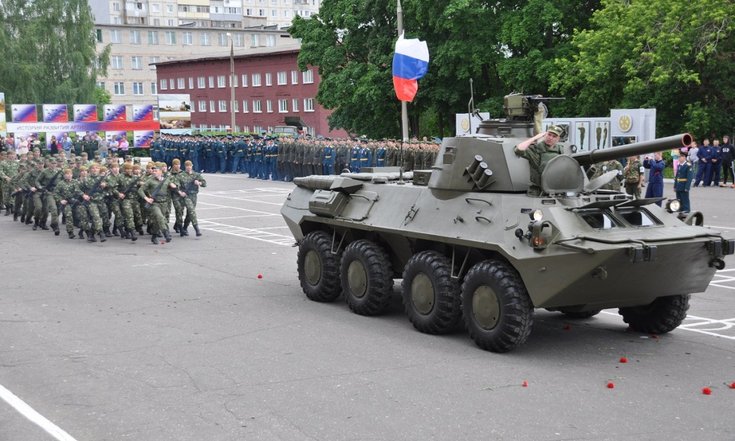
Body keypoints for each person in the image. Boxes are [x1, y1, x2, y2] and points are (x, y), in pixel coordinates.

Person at [513, 125, 564, 196]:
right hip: (537, 192)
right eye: (549, 135)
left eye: (554, 136)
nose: (550, 138)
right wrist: (535, 137)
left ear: (558, 139)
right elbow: (518, 150)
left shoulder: (560, 151)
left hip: (555, 191)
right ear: (545, 135)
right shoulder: (535, 149)